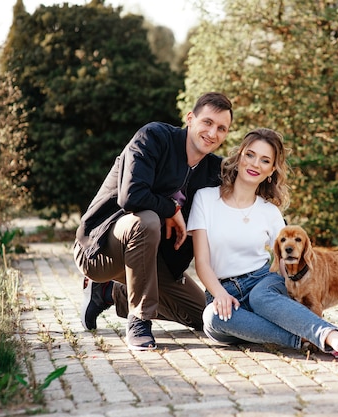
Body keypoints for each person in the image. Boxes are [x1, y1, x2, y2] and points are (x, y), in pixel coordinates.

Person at [187, 128, 338, 367]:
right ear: (239, 157)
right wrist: (220, 294)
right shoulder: (205, 198)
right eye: (251, 155)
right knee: (212, 317)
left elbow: (292, 256)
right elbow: (202, 262)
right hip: (222, 289)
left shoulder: (269, 211)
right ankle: (307, 338)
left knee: (259, 296)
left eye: (265, 160)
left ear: (271, 171)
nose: (255, 163)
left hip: (263, 282)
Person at [73, 92, 233, 351]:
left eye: (221, 128)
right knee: (145, 221)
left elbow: (243, 201)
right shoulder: (154, 137)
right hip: (100, 249)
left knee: (204, 316)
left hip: (155, 262)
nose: (213, 133)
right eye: (207, 122)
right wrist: (171, 208)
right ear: (190, 118)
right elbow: (131, 195)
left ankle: (110, 293)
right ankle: (139, 320)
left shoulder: (213, 171)